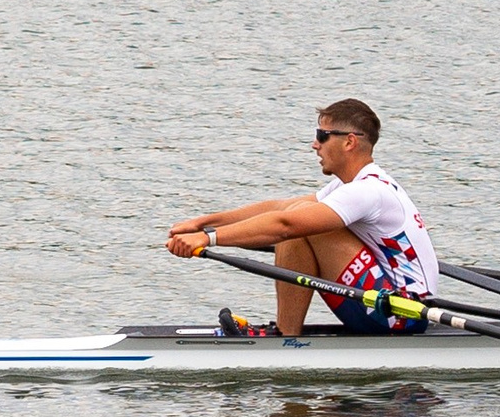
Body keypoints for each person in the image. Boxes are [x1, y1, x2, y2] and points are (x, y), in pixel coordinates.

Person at [165, 99, 440, 338]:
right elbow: (280, 207)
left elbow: (285, 225)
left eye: (322, 135)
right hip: (388, 304)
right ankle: (287, 334)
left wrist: (207, 239)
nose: (314, 144)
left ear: (349, 141)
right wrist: (203, 223)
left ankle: (287, 336)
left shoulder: (368, 191)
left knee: (298, 225)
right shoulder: (352, 185)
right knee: (296, 213)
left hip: (402, 312)